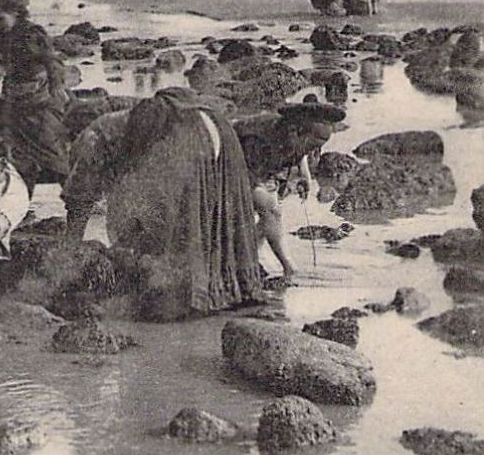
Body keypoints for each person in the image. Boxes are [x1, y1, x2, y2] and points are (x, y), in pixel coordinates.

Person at [61, 86, 264, 321]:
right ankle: (231, 291)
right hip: (217, 125)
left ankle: (188, 298)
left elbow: (80, 202)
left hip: (184, 134)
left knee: (182, 223)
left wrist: (70, 255)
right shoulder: (116, 127)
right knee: (215, 213)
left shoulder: (90, 140)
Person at [235, 102, 341, 282]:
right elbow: (253, 178)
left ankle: (252, 252)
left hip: (265, 166)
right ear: (296, 131)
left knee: (271, 213)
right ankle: (288, 266)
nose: (312, 152)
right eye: (310, 146)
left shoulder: (297, 135)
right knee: (272, 211)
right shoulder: (260, 138)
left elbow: (301, 152)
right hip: (238, 163)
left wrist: (305, 175)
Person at [0, 0, 71, 186]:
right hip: (13, 101)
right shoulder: (1, 36)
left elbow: (52, 61)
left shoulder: (31, 34)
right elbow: (7, 64)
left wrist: (57, 85)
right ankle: (18, 192)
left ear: (15, 12)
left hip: (37, 101)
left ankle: (76, 195)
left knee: (51, 150)